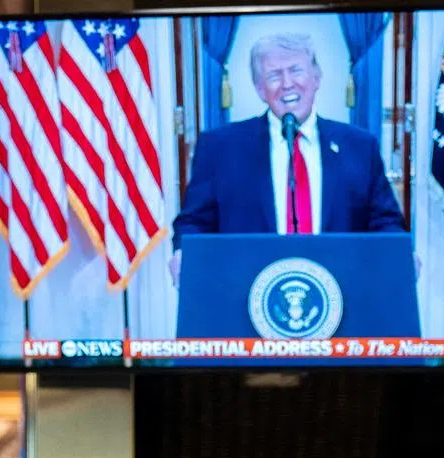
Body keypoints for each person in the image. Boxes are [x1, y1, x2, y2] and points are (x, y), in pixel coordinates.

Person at [170, 31, 407, 284]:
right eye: (274, 75)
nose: (287, 83)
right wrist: (184, 253)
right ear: (260, 89)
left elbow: (386, 222)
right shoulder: (220, 148)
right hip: (246, 297)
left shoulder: (359, 147)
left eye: (296, 70)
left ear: (316, 78)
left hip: (342, 295)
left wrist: (400, 252)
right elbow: (193, 223)